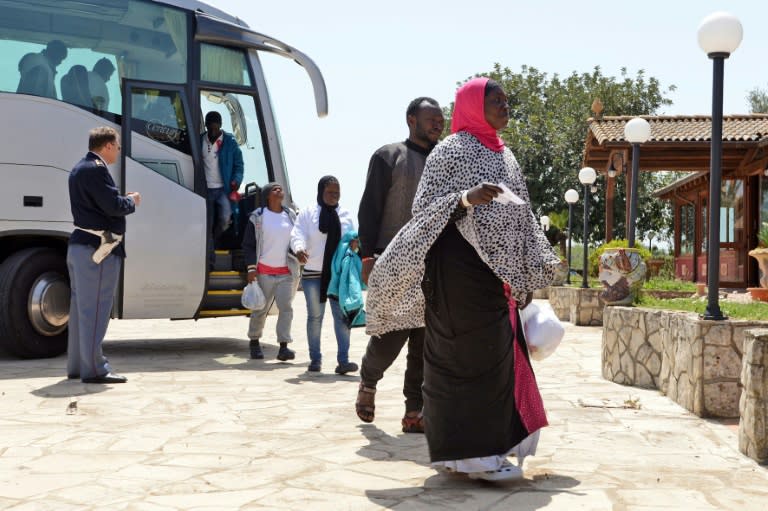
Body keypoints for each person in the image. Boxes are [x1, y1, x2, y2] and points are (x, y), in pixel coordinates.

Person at [365, 78, 559, 481]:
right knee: (465, 359)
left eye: (507, 100)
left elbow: (523, 214)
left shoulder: (506, 155)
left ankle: (477, 452)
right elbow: (424, 210)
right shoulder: (450, 151)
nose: (506, 106)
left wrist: (531, 267)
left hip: (496, 277)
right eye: (497, 101)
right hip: (456, 270)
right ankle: (474, 456)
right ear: (473, 105)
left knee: (495, 359)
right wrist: (465, 199)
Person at [355, 97, 444, 433]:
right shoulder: (388, 156)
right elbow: (370, 208)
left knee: (425, 341)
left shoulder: (443, 161)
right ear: (411, 120)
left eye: (441, 119)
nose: (438, 124)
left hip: (432, 264)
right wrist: (367, 256)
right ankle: (368, 380)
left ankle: (414, 410)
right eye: (431, 118)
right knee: (391, 335)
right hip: (390, 259)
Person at [66, 126, 141, 384]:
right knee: (96, 310)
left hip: (80, 247)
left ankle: (78, 366)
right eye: (117, 146)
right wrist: (132, 201)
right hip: (97, 249)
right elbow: (112, 206)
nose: (118, 151)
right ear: (107, 145)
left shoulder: (79, 168)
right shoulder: (97, 170)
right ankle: (96, 369)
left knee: (80, 312)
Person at [290, 176, 358, 374]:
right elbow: (297, 234)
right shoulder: (308, 213)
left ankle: (343, 361)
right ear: (321, 192)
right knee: (315, 317)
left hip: (337, 276)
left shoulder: (344, 214)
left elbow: (351, 239)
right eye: (330, 192)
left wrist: (354, 245)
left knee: (342, 318)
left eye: (337, 193)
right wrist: (299, 249)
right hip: (313, 274)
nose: (334, 196)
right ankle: (315, 359)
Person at [242, 182, 299, 361]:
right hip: (264, 272)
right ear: (267, 195)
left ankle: (283, 347)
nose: (279, 190)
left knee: (286, 309)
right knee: (260, 309)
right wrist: (251, 269)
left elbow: (298, 238)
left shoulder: (290, 215)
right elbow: (248, 245)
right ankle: (254, 342)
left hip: (286, 272)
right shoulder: (258, 217)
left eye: (280, 188)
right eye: (275, 189)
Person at [202, 111, 244, 270]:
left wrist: (236, 181)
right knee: (207, 224)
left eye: (215, 128)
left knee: (226, 220)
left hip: (223, 190)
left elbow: (239, 165)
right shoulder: (200, 140)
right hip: (205, 191)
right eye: (209, 128)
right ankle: (210, 262)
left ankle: (214, 238)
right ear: (206, 125)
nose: (212, 132)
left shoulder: (230, 142)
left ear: (220, 126)